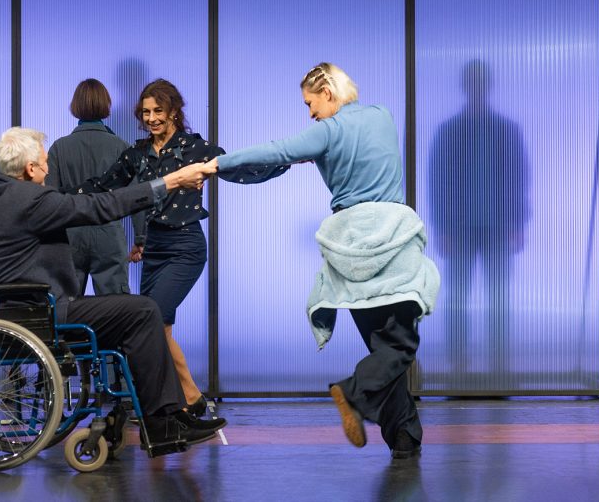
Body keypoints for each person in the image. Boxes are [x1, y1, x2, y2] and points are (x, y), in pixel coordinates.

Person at [0, 126, 227, 452]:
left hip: (7, 316)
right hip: (44, 318)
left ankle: (167, 416)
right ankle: (162, 424)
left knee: (131, 315)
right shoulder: (33, 200)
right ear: (30, 168)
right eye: (45, 164)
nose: (48, 171)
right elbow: (104, 206)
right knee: (143, 310)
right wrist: (171, 181)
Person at [207, 62, 440, 459]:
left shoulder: (326, 132)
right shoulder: (382, 115)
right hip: (392, 241)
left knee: (385, 348)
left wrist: (218, 164)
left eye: (309, 104)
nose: (310, 113)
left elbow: (277, 151)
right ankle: (358, 397)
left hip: (351, 249)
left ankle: (403, 436)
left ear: (327, 93)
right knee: (399, 344)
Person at [74, 78, 284, 415]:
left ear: (174, 111)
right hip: (154, 248)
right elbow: (104, 186)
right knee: (154, 328)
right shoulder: (137, 153)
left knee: (153, 320)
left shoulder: (194, 148)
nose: (151, 118)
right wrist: (59, 197)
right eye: (146, 112)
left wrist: (285, 160)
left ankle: (189, 395)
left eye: (158, 111)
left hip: (186, 245)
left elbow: (237, 168)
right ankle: (179, 401)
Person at [427, 59, 530, 378]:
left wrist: (518, 224)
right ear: (465, 86)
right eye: (473, 82)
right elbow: (438, 181)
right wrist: (442, 228)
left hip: (498, 226)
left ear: (487, 86)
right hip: (459, 228)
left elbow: (519, 179)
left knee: (498, 297)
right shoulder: (449, 132)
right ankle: (459, 358)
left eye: (481, 82)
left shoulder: (506, 130)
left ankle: (499, 359)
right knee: (458, 296)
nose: (477, 88)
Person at [45, 78, 138, 296]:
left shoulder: (58, 148)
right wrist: (141, 238)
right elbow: (135, 196)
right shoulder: (121, 147)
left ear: (75, 106)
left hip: (70, 234)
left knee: (66, 304)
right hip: (109, 232)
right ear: (106, 105)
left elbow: (49, 198)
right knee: (115, 306)